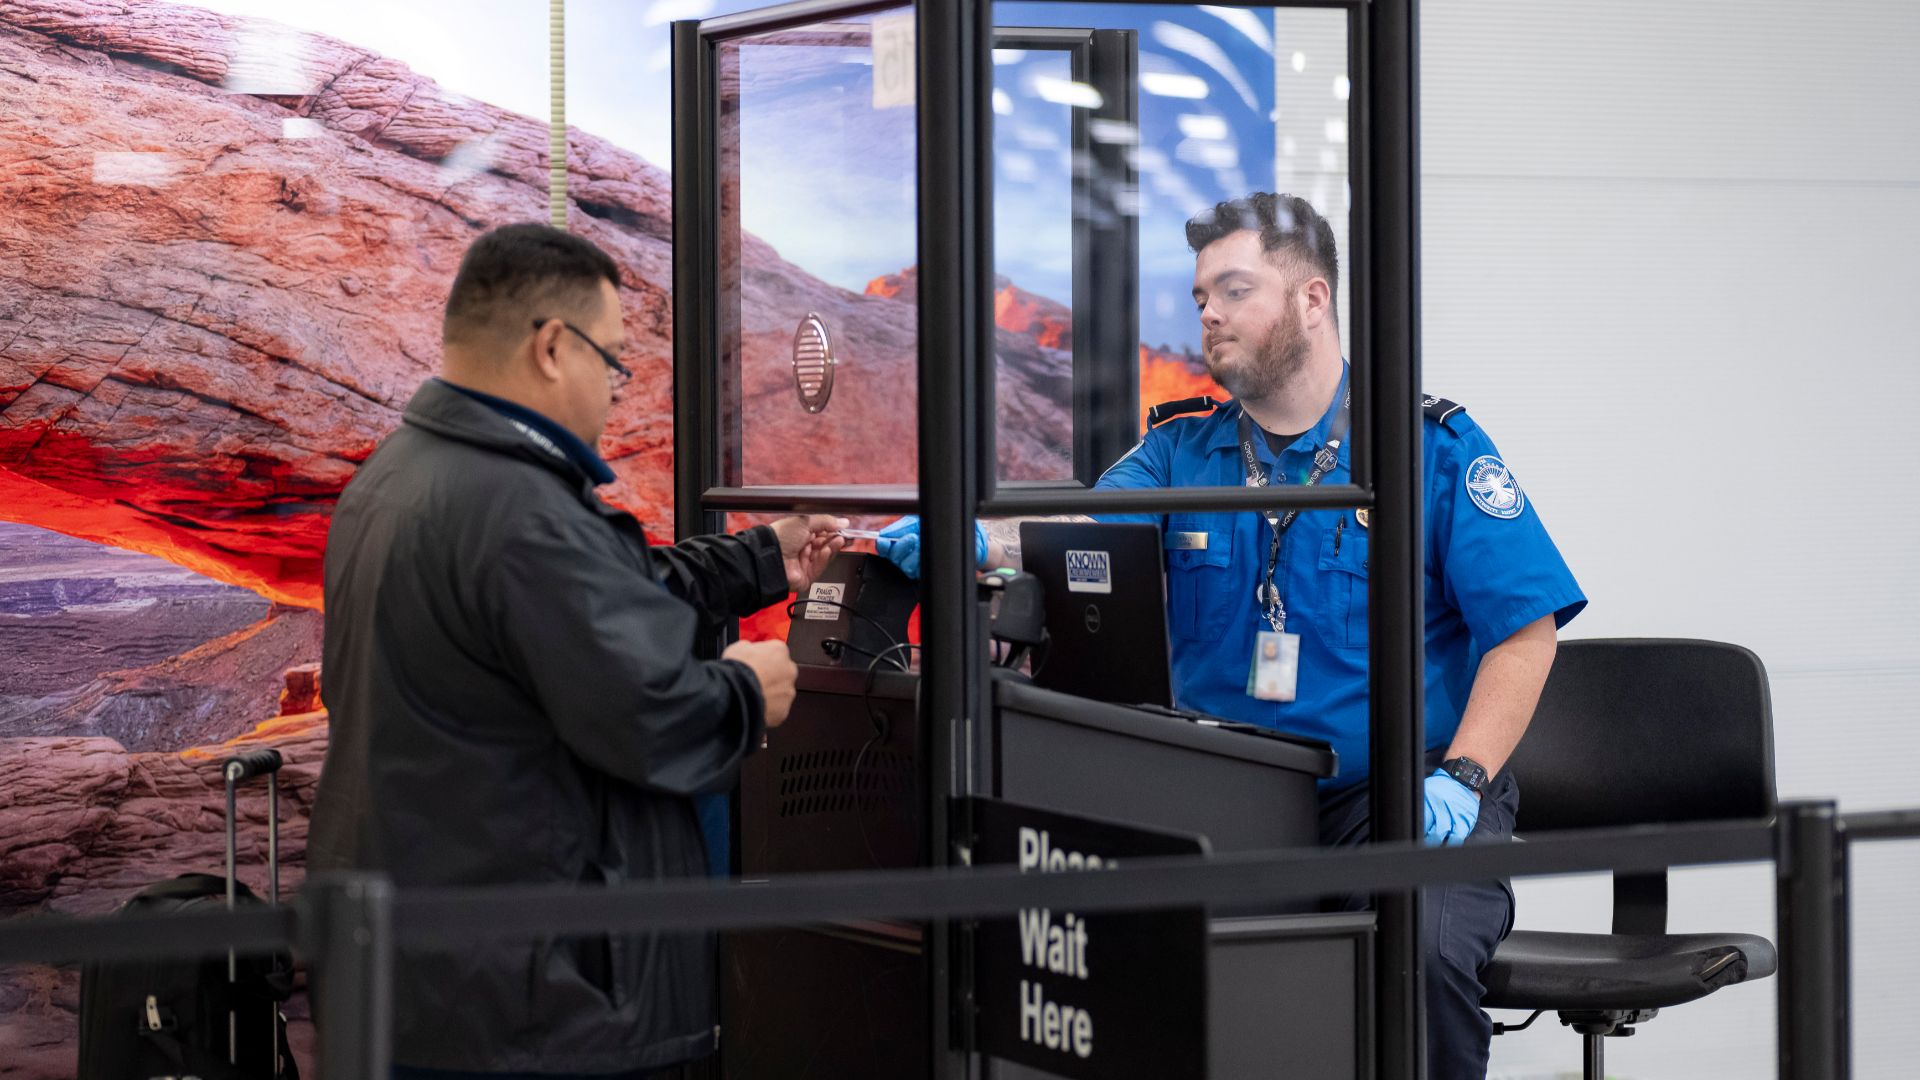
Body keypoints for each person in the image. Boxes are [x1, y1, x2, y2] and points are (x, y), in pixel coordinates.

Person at [876, 193, 1584, 1077]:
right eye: (1202, 293)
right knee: (1120, 966)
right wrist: (975, 539)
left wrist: (1465, 778)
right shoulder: (1182, 452)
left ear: (1312, 300)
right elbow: (1079, 529)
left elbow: (1525, 633)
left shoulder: (1431, 448)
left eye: (1234, 289)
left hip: (1398, 797)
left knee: (1424, 955)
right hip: (1231, 798)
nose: (1206, 311)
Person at [307, 223, 846, 1079]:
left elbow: (587, 602)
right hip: (532, 1007)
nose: (617, 390)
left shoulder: (404, 475)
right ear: (554, 347)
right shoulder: (520, 509)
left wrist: (757, 560)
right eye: (615, 360)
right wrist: (745, 688)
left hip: (431, 982)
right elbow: (656, 719)